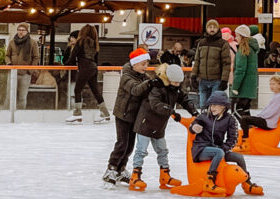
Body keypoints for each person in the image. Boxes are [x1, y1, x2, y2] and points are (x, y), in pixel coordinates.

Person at [128, 63, 197, 190]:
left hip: (159, 126)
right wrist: (171, 111)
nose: (177, 84)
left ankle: (164, 175)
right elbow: (155, 104)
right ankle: (135, 176)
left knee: (163, 150)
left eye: (178, 82)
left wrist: (194, 112)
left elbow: (185, 100)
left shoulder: (175, 88)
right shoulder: (157, 87)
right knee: (141, 150)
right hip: (146, 123)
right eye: (175, 82)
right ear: (168, 79)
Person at [190, 90, 264, 196]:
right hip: (201, 149)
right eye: (211, 105)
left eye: (216, 105)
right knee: (218, 152)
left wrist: (224, 149)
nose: (212, 108)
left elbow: (232, 139)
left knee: (239, 157)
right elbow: (193, 126)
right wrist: (194, 128)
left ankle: (247, 183)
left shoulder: (230, 120)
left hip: (218, 149)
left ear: (223, 106)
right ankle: (210, 180)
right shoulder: (204, 116)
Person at [103, 48, 155, 185]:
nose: (146, 67)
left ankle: (121, 169)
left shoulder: (143, 77)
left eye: (147, 63)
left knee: (130, 145)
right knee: (122, 143)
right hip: (123, 114)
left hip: (135, 116)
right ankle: (111, 168)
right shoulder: (126, 76)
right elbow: (135, 90)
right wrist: (150, 83)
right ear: (134, 64)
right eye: (143, 64)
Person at [64, 24, 110, 124]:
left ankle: (77, 114)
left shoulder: (80, 41)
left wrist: (65, 64)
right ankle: (106, 114)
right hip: (93, 68)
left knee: (77, 90)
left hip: (85, 68)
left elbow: (73, 56)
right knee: (95, 91)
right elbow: (96, 60)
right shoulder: (95, 43)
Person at [236, 74, 280, 148]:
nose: (271, 86)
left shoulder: (279, 97)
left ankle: (246, 140)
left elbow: (272, 112)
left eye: (273, 84)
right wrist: (258, 117)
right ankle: (246, 137)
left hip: (268, 123)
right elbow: (267, 109)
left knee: (244, 119)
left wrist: (259, 117)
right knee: (246, 119)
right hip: (266, 120)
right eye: (270, 84)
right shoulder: (276, 95)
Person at [190, 19, 231, 108]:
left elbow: (226, 63)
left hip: (216, 80)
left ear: (218, 29)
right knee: (203, 105)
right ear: (206, 29)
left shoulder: (223, 44)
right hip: (203, 80)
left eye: (214, 27)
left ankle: (213, 121)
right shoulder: (201, 43)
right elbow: (197, 60)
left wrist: (224, 80)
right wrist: (193, 76)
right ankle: (204, 121)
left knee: (214, 105)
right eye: (210, 27)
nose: (212, 29)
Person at [5, 23, 40, 110]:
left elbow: (36, 57)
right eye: (19, 30)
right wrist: (9, 63)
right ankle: (7, 112)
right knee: (9, 95)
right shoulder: (12, 42)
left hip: (25, 74)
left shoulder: (32, 43)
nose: (20, 32)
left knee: (22, 96)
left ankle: (20, 113)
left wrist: (30, 70)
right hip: (13, 73)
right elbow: (7, 55)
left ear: (27, 32)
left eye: (23, 30)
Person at [230, 24, 259, 115]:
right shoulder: (252, 49)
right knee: (245, 110)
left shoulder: (243, 50)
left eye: (237, 35)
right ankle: (249, 128)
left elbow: (240, 70)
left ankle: (247, 128)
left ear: (242, 36)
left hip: (242, 87)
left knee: (236, 111)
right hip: (250, 87)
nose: (235, 38)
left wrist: (235, 87)